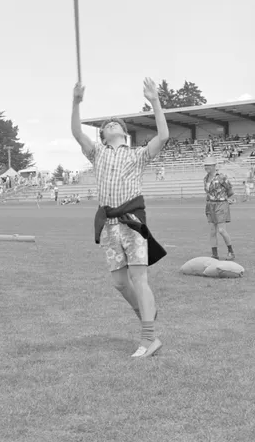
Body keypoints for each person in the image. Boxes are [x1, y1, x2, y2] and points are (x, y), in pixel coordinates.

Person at [71, 77, 169, 358]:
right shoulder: (98, 153)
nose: (110, 124)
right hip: (109, 226)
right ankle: (145, 312)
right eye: (106, 126)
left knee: (140, 278)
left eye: (116, 124)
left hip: (132, 223)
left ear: (124, 133)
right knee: (118, 282)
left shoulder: (138, 155)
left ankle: (149, 339)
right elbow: (77, 133)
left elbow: (162, 136)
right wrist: (76, 102)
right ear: (103, 136)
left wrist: (155, 101)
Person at [203, 156, 235, 260]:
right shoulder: (205, 178)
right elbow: (208, 192)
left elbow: (230, 191)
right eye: (205, 165)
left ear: (214, 166)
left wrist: (224, 199)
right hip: (210, 205)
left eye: (208, 165)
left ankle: (231, 252)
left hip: (221, 205)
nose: (206, 167)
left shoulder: (222, 177)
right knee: (212, 231)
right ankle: (214, 255)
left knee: (221, 230)